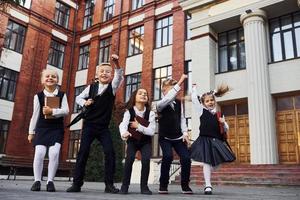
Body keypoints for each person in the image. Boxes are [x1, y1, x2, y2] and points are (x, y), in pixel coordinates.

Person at [66, 54, 123, 193]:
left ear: (110, 75)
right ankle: (76, 184)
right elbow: (78, 97)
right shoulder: (91, 88)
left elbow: (119, 76)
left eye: (108, 72)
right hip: (89, 126)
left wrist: (116, 63)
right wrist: (85, 102)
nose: (105, 73)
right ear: (97, 74)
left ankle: (109, 185)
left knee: (110, 153)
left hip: (103, 128)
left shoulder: (112, 87)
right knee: (83, 152)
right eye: (102, 71)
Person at [28, 69, 69, 192]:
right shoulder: (38, 96)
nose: (50, 78)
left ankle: (50, 181)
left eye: (53, 76)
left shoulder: (62, 95)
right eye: (47, 76)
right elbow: (35, 115)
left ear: (57, 80)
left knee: (54, 153)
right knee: (39, 153)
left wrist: (52, 111)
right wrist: (31, 132)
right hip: (42, 128)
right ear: (42, 80)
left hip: (56, 129)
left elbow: (66, 111)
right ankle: (37, 181)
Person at [190, 84, 235, 195]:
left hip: (217, 141)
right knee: (206, 162)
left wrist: (223, 122)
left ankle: (208, 173)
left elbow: (226, 129)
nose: (210, 102)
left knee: (218, 162)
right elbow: (194, 99)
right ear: (203, 103)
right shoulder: (201, 111)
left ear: (214, 101)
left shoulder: (219, 114)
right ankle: (208, 185)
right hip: (205, 139)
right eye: (207, 101)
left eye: (211, 100)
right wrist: (194, 89)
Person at [156, 74, 193, 194]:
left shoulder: (179, 103)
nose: (174, 92)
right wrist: (180, 81)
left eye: (175, 89)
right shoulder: (160, 103)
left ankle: (185, 185)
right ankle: (163, 185)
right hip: (165, 137)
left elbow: (182, 119)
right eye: (171, 89)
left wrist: (185, 133)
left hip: (178, 137)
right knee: (168, 156)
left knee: (186, 158)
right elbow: (168, 99)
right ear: (164, 91)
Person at [119, 88, 156, 195]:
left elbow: (151, 132)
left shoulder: (151, 114)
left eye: (145, 94)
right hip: (132, 141)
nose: (143, 95)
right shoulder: (129, 112)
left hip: (146, 142)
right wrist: (124, 133)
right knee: (129, 159)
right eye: (140, 93)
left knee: (145, 160)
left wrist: (138, 126)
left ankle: (144, 187)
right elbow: (123, 125)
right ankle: (124, 186)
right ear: (134, 97)